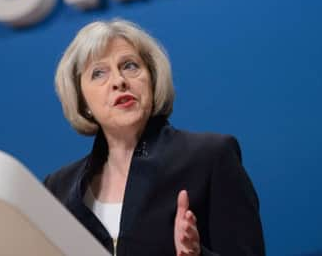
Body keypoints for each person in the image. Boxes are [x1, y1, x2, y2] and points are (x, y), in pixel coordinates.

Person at [44, 19, 264, 256]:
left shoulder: (210, 157)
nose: (119, 81)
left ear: (152, 77)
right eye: (99, 73)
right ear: (83, 101)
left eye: (129, 66)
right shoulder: (58, 188)